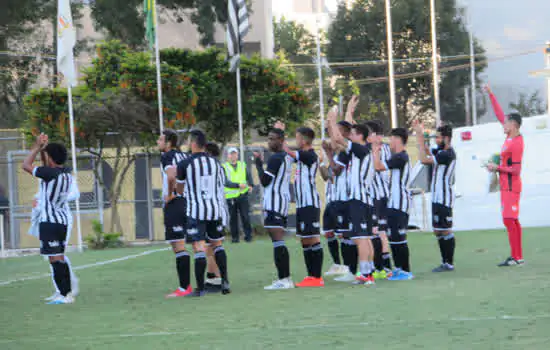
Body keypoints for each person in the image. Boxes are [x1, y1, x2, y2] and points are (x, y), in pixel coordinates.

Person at [174, 130, 231, 297]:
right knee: (217, 244)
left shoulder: (185, 164)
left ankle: (200, 289)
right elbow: (221, 184)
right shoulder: (216, 163)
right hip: (215, 209)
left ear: (192, 144)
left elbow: (179, 189)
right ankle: (225, 281)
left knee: (199, 247)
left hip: (196, 210)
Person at [22, 134, 76, 304]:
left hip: (49, 222)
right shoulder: (66, 173)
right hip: (62, 221)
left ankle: (64, 294)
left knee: (55, 259)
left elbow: (26, 165)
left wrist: (37, 147)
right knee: (59, 257)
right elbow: (49, 165)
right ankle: (65, 293)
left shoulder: (49, 173)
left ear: (50, 158)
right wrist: (45, 149)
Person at [328, 107, 376, 286]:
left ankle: (365, 274)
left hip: (359, 199)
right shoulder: (356, 152)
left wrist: (332, 121)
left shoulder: (361, 150)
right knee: (364, 237)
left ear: (360, 137)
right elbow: (337, 142)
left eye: (354, 134)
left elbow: (339, 138)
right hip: (363, 199)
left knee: (360, 238)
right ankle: (368, 273)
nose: (351, 136)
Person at [485, 86, 525, 266]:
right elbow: (500, 114)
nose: (503, 124)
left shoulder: (517, 143)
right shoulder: (509, 137)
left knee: (509, 220)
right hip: (505, 186)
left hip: (512, 186)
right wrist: (491, 94)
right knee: (511, 220)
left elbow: (516, 171)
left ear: (514, 125)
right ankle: (516, 256)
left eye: (506, 123)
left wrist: (497, 167)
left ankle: (517, 257)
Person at [283, 126, 325, 288]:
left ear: (304, 139)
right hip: (302, 204)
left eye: (298, 137)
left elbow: (290, 152)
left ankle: (317, 277)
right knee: (305, 240)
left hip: (310, 203)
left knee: (313, 237)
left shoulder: (309, 155)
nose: (296, 140)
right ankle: (310, 276)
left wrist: (282, 140)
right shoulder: (303, 156)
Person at [254, 125, 294, 290]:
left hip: (274, 203)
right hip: (281, 202)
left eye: (273, 138)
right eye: (268, 138)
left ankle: (284, 279)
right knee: (278, 241)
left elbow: (264, 181)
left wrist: (258, 164)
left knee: (278, 241)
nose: (269, 141)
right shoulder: (286, 157)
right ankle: (285, 278)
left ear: (281, 141)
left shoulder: (276, 158)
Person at [414, 121, 457, 272]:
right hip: (436, 197)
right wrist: (422, 137)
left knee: (445, 230)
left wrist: (419, 137)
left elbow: (424, 159)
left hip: (444, 198)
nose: (436, 140)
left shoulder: (447, 153)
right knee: (438, 230)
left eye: (439, 137)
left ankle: (449, 263)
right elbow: (427, 151)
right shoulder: (440, 151)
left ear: (447, 138)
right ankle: (444, 261)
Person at [373, 128, 413, 281]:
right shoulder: (397, 156)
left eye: (391, 139)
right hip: (394, 202)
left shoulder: (401, 157)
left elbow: (378, 167)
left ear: (398, 139)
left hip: (400, 203)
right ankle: (398, 268)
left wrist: (375, 151)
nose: (389, 142)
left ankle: (406, 270)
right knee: (393, 237)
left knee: (399, 238)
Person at [156, 129, 193, 298]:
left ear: (168, 143)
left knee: (178, 245)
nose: (158, 142)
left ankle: (184, 288)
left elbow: (171, 175)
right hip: (189, 202)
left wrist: (171, 194)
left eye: (160, 140)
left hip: (176, 204)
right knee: (197, 243)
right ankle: (208, 280)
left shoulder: (167, 156)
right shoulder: (185, 156)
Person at [365, 120, 394, 279]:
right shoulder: (371, 149)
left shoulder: (383, 150)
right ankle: (380, 265)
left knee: (380, 231)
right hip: (374, 196)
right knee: (376, 231)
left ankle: (384, 265)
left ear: (377, 136)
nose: (367, 137)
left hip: (380, 195)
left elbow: (379, 169)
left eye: (369, 134)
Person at [319, 137, 349, 277]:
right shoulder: (333, 158)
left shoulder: (343, 157)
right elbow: (327, 177)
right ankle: (337, 264)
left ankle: (348, 266)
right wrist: (320, 163)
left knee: (342, 234)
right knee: (328, 232)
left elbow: (335, 174)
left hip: (341, 200)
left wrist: (328, 155)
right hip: (330, 200)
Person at [223, 147, 254, 243]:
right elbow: (225, 182)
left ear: (237, 155)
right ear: (228, 156)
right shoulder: (224, 167)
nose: (233, 155)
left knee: (245, 217)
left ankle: (248, 237)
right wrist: (238, 185)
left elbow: (249, 176)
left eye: (235, 153)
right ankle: (235, 238)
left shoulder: (242, 165)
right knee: (233, 218)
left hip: (243, 194)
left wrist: (251, 186)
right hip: (231, 197)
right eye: (231, 154)